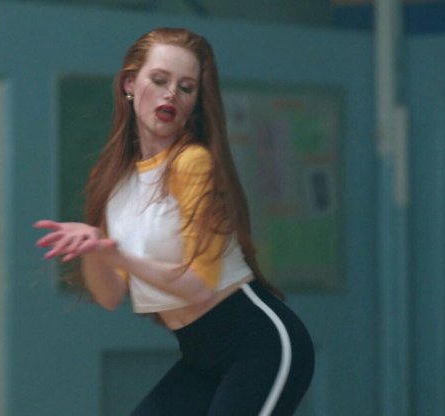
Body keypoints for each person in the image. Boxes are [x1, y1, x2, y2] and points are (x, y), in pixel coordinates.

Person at [34, 27, 314, 415]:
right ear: (130, 84)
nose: (171, 95)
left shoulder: (192, 163)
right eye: (159, 80)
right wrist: (95, 249)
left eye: (186, 88)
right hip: (200, 355)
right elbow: (110, 295)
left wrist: (118, 255)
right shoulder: (114, 179)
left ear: (195, 102)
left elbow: (199, 287)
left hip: (260, 345)